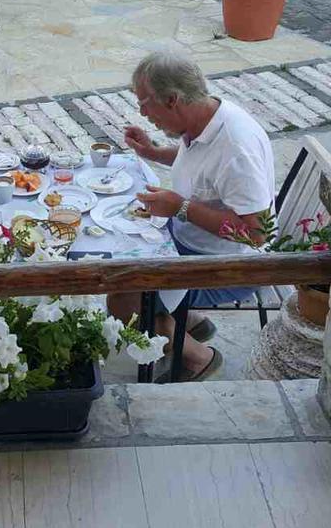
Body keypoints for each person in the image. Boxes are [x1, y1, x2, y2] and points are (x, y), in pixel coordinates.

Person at [106, 52, 275, 382]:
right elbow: (199, 164)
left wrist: (180, 207)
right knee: (121, 242)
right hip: (188, 240)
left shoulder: (236, 146)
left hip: (230, 267)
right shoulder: (205, 117)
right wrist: (153, 153)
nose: (141, 112)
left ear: (172, 100)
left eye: (144, 102)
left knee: (121, 298)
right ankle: (185, 319)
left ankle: (198, 357)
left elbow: (256, 234)